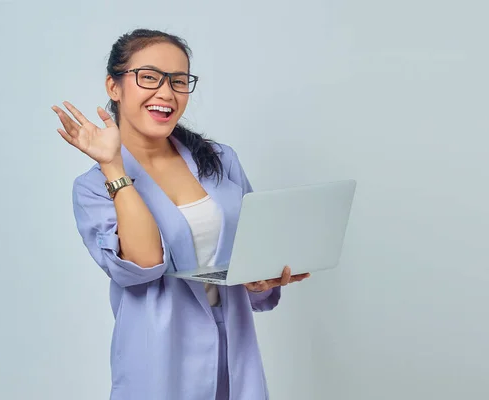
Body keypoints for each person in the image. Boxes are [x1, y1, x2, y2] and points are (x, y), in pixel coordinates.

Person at [52, 28, 310, 400]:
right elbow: (143, 265)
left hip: (233, 346)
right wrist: (112, 166)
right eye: (149, 77)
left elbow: (252, 247)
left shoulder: (220, 160)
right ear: (114, 87)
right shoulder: (93, 186)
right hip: (160, 356)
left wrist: (260, 279)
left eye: (178, 81)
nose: (166, 93)